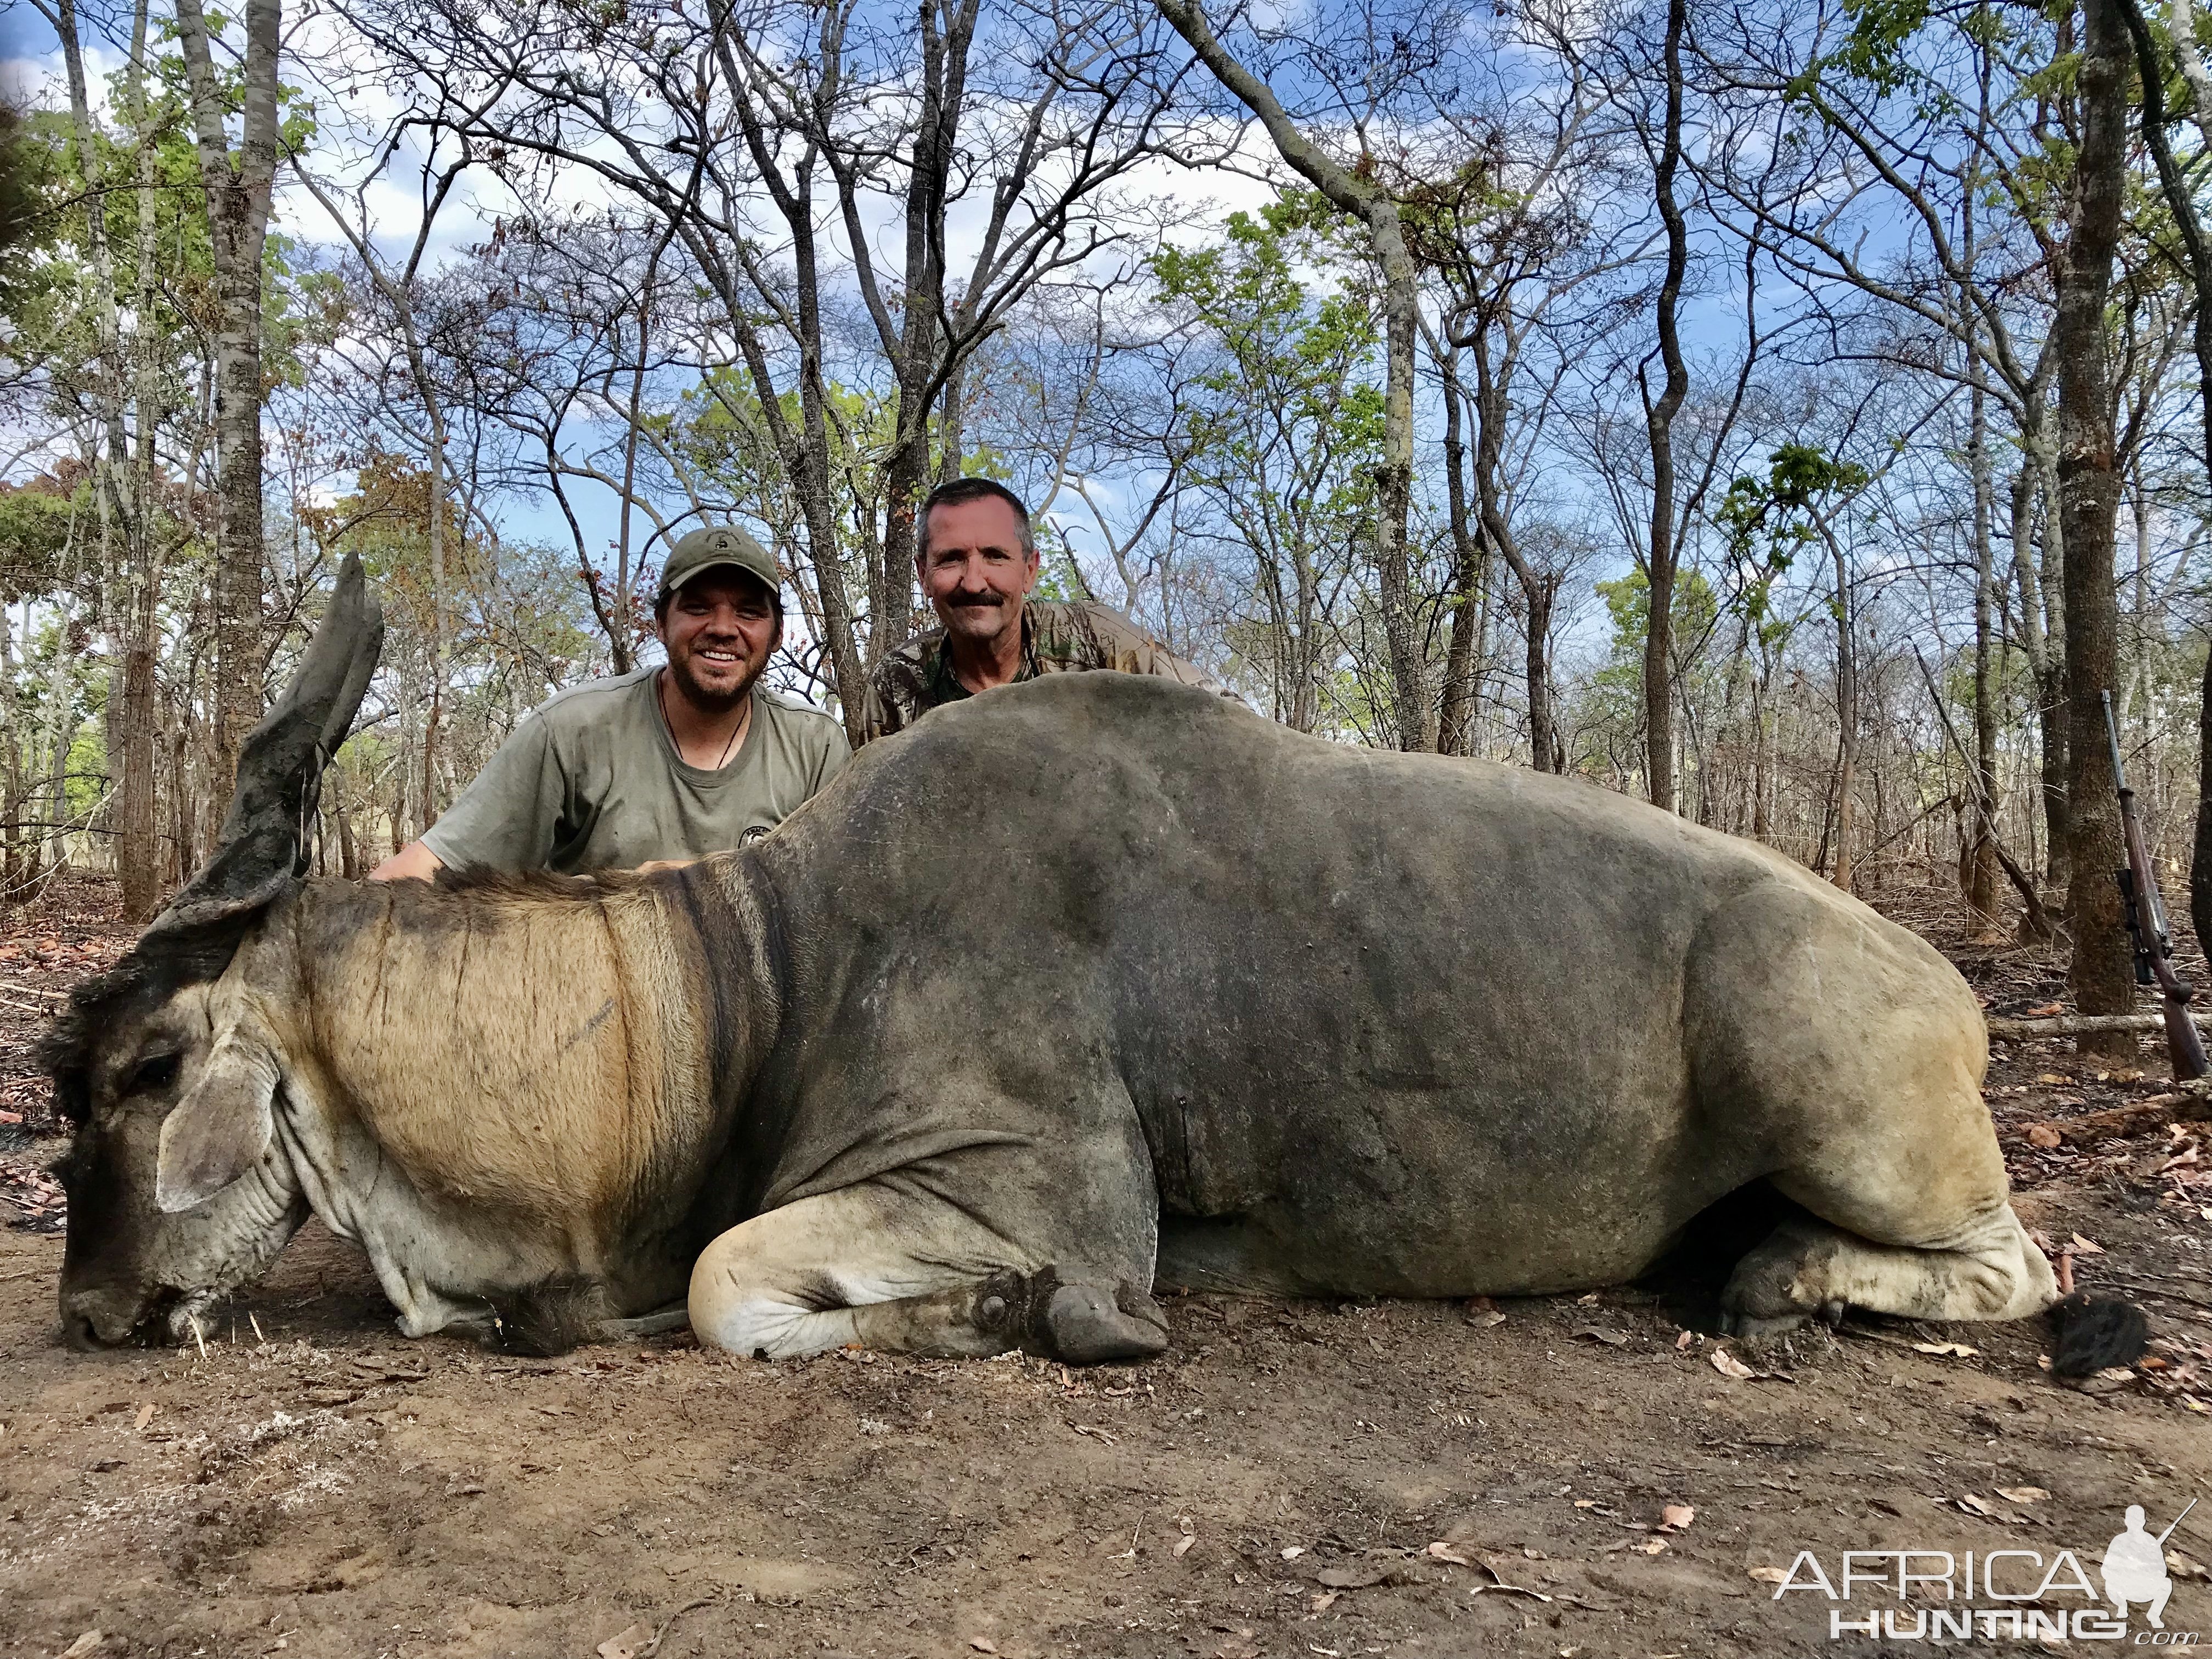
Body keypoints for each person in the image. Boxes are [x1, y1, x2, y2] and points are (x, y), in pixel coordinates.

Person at [371, 524, 849, 880]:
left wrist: (687, 882)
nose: (723, 628)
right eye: (698, 607)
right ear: (661, 624)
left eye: (749, 612)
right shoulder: (572, 729)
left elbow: (838, 899)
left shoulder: (816, 747)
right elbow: (434, 865)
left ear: (778, 635)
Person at [860, 477, 1232, 742]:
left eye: (995, 557)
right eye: (951, 559)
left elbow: (1228, 717)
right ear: (924, 575)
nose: (973, 582)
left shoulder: (1100, 640)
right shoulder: (897, 684)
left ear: (1030, 571)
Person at [2101, 1505, 2173, 1628]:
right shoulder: (2118, 1541)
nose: (2135, 1524)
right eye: (2132, 1521)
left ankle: (2154, 1615)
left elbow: (2162, 1571)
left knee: (2166, 1584)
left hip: (2144, 1588)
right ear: (2126, 1522)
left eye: (2138, 1521)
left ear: (2144, 1522)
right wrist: (2126, 1568)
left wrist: (2146, 1568)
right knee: (2110, 1583)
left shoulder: (2151, 1542)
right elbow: (2106, 1570)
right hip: (2123, 1588)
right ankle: (2122, 1606)